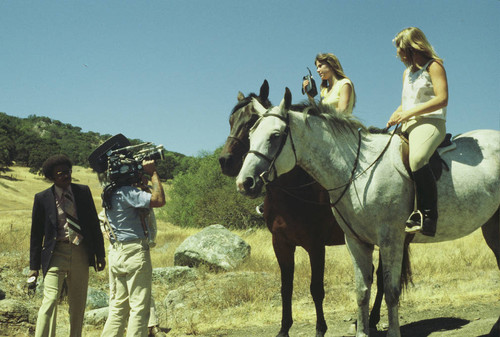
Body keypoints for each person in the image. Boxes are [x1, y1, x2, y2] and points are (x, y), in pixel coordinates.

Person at [29, 154, 106, 337]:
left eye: (68, 171)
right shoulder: (42, 198)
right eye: (61, 173)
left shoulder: (83, 192)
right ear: (52, 176)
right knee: (50, 301)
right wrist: (34, 267)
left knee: (78, 304)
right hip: (55, 253)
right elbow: (36, 233)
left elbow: (94, 225)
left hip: (80, 252)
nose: (66, 175)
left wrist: (100, 255)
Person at [387, 27, 448, 237]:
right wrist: (396, 113)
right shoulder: (407, 73)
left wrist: (409, 112)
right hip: (408, 122)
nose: (398, 54)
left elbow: (442, 99)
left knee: (418, 158)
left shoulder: (434, 66)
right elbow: (406, 102)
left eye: (401, 49)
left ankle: (428, 216)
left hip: (431, 122)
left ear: (413, 47)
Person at [100, 159, 166, 337]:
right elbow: (159, 200)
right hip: (134, 252)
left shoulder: (109, 193)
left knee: (118, 307)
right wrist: (152, 173)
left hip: (117, 253)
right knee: (139, 306)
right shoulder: (127, 192)